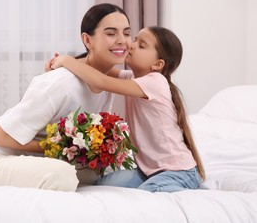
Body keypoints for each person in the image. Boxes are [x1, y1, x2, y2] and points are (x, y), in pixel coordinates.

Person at [0, 3, 132, 191]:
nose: (121, 40)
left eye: (126, 33)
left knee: (107, 169)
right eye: (111, 33)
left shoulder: (106, 82)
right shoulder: (61, 82)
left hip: (32, 160)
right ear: (87, 40)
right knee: (61, 176)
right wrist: (65, 147)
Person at [49, 26, 205, 192]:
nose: (132, 45)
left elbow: (100, 81)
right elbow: (100, 69)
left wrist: (67, 61)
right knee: (103, 186)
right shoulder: (133, 78)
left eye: (141, 45)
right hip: (147, 171)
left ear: (157, 64)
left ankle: (195, 188)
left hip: (178, 172)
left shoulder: (155, 82)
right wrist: (62, 63)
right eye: (136, 39)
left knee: (147, 196)